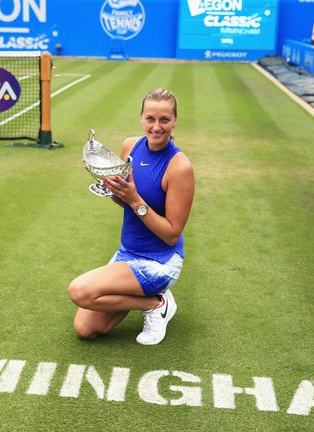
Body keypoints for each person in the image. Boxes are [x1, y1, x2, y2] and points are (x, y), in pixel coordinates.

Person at [68, 88, 195, 346]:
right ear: (141, 118)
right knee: (85, 329)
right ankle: (156, 302)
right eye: (150, 119)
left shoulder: (180, 167)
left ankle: (155, 303)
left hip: (160, 261)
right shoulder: (130, 147)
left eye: (164, 120)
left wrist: (135, 199)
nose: (157, 127)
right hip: (127, 253)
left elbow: (171, 234)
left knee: (79, 291)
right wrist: (112, 187)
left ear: (174, 121)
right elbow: (124, 201)